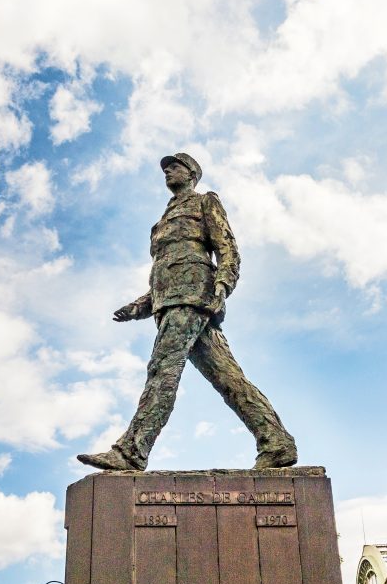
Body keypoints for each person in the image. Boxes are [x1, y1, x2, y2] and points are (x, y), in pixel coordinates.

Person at [77, 152, 298, 472]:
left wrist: (222, 288)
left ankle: (130, 452)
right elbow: (167, 271)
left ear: (192, 173)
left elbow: (227, 249)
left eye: (175, 167)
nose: (168, 172)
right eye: (166, 169)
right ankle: (276, 442)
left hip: (195, 300)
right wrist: (139, 306)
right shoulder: (162, 221)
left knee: (162, 372)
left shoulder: (204, 202)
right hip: (172, 303)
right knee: (229, 378)